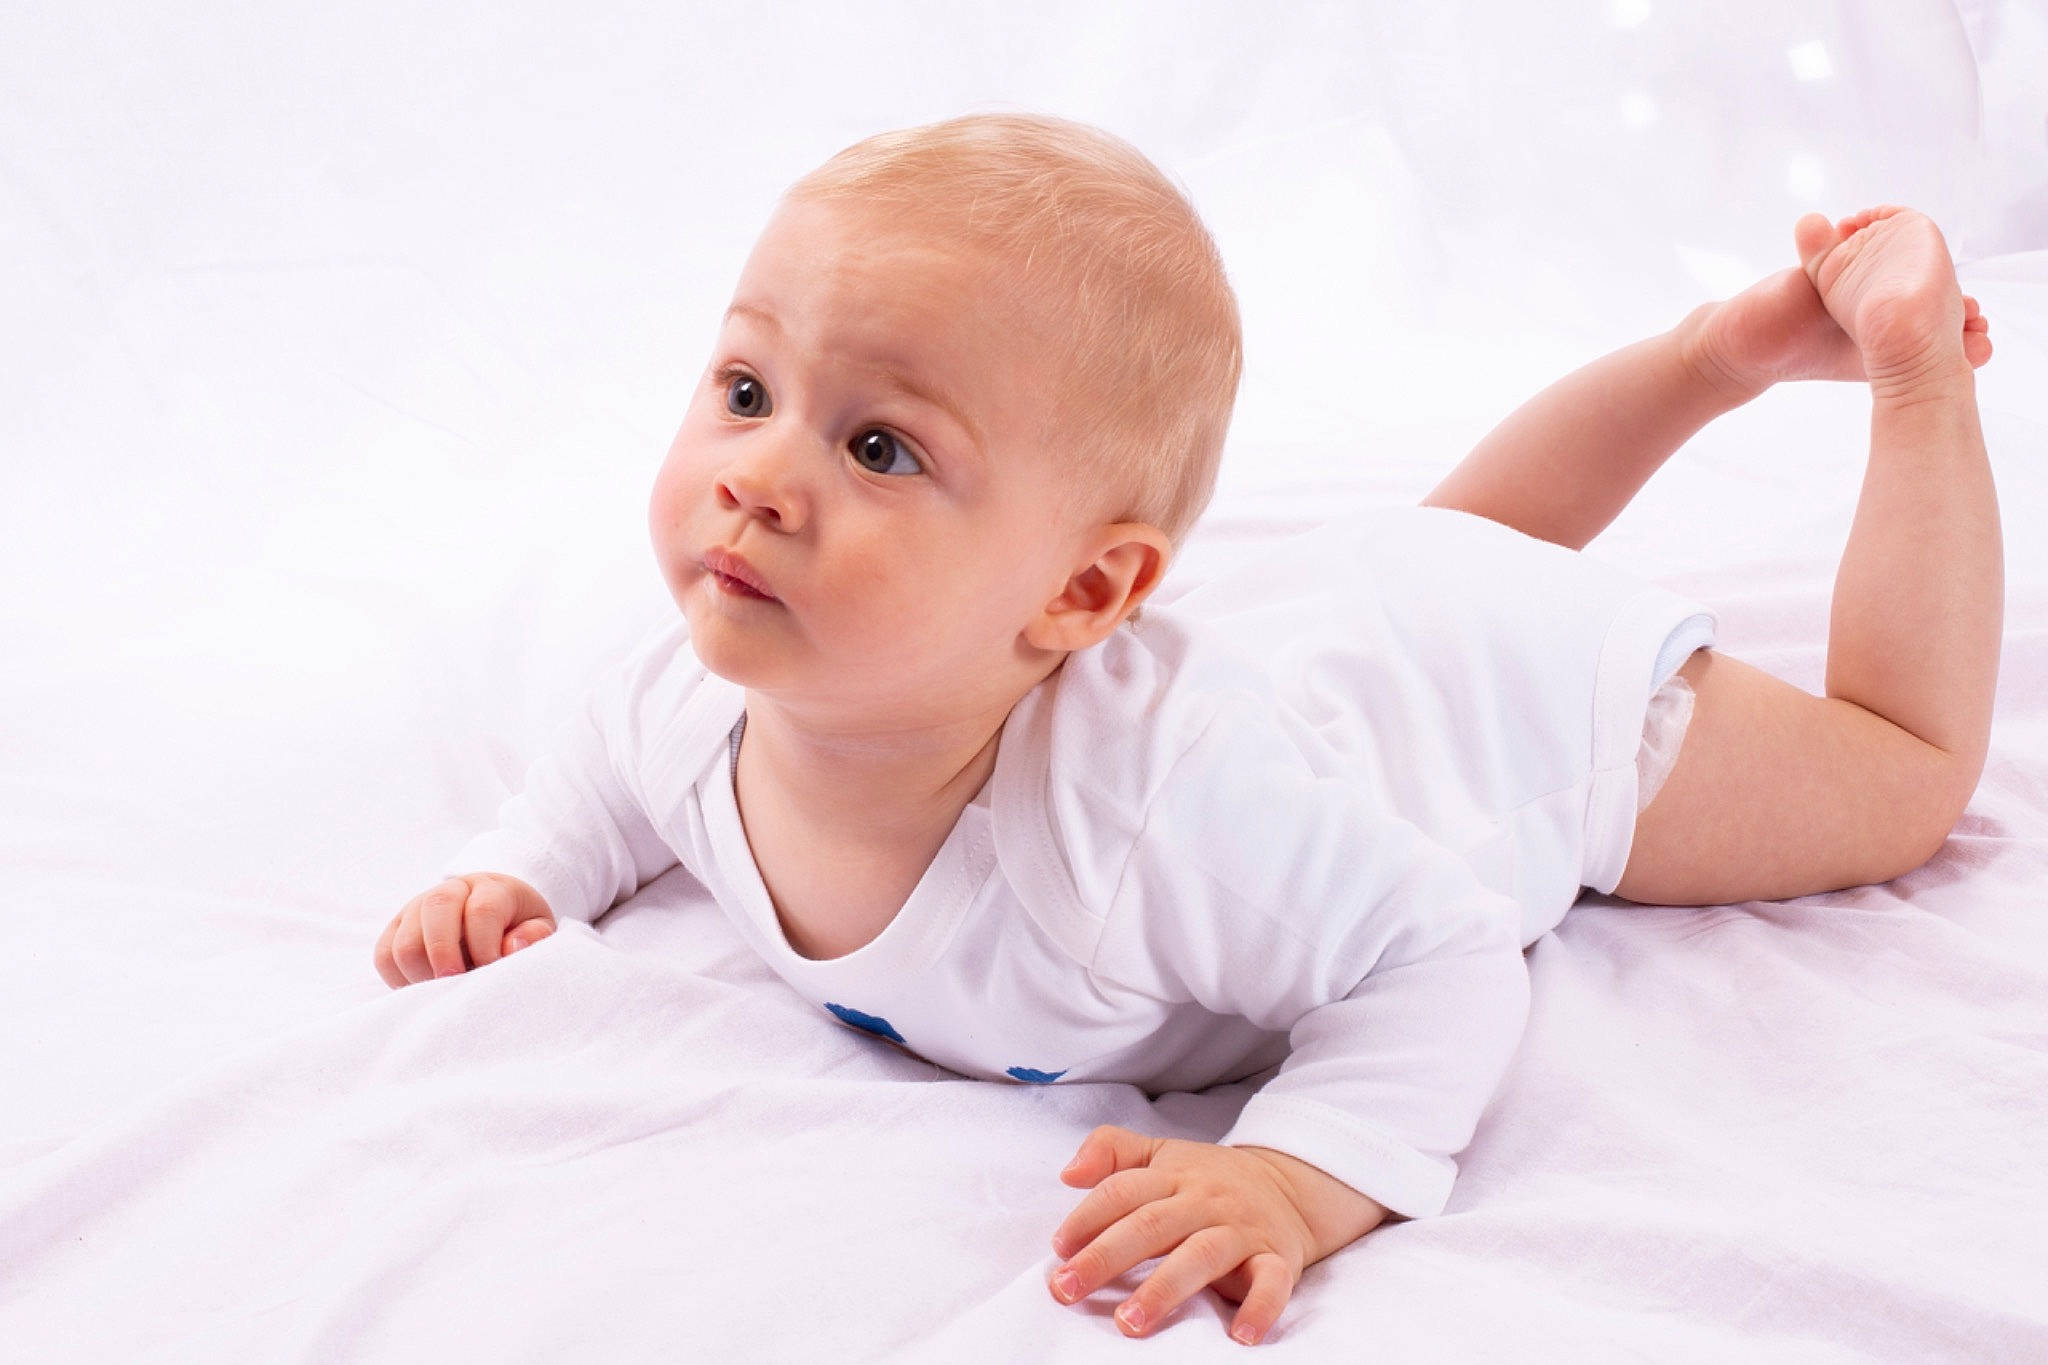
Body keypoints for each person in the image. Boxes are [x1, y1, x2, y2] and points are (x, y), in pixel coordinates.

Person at [371, 114, 1999, 1346]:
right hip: (1359, 624)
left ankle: (1912, 370)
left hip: (1524, 703)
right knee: (1446, 552)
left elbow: (1434, 951)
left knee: (1891, 781)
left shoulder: (1146, 824)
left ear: (1084, 590)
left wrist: (1305, 1165)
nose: (756, 475)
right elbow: (599, 760)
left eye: (878, 445)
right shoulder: (703, 691)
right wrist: (526, 862)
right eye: (745, 389)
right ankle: (1715, 351)